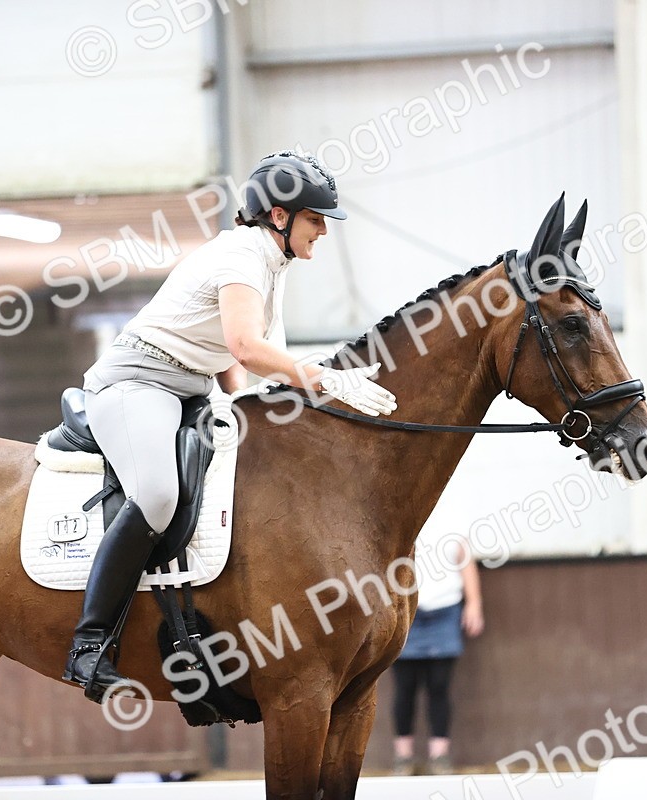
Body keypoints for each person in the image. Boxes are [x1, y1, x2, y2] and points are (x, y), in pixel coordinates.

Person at [62, 151, 398, 701]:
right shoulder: (242, 255)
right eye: (316, 219)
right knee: (157, 494)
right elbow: (245, 346)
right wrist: (324, 378)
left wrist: (267, 399)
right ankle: (89, 643)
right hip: (136, 384)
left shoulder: (273, 261)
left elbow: (243, 360)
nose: (323, 231)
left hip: (191, 388)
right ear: (280, 217)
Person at [391, 530, 485, 775]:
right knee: (405, 688)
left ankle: (439, 757)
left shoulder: (453, 518)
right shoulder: (400, 517)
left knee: (439, 686)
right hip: (405, 612)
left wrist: (474, 603)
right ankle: (403, 758)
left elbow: (465, 562)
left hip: (445, 610)